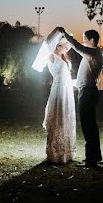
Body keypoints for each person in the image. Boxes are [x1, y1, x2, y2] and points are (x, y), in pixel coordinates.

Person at [32, 27, 77, 164]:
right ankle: (55, 152)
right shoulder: (51, 56)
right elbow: (47, 43)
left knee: (66, 117)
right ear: (58, 45)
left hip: (67, 90)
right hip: (58, 90)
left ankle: (66, 152)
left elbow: (67, 76)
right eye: (65, 46)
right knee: (58, 118)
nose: (67, 49)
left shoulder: (64, 58)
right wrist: (58, 31)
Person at [60, 27, 103, 167]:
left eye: (85, 39)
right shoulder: (95, 54)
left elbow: (77, 46)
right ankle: (95, 157)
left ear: (91, 40)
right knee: (91, 125)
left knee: (87, 126)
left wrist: (65, 34)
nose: (84, 41)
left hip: (87, 93)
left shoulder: (93, 53)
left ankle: (91, 160)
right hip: (89, 91)